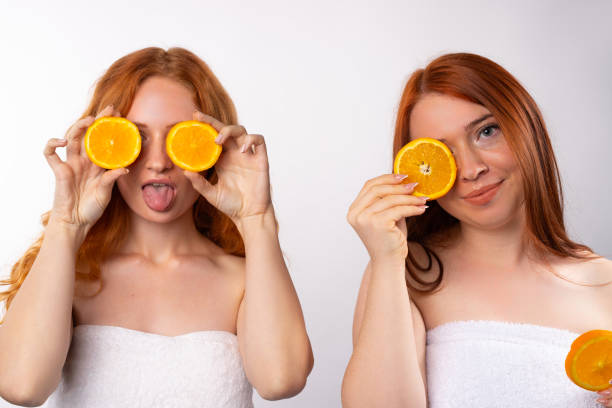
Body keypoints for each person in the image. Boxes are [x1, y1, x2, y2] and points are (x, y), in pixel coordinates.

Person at [0, 47, 313, 407]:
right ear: (103, 143)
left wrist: (257, 220)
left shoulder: (244, 279)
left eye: (182, 137)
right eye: (139, 135)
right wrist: (66, 224)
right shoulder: (70, 274)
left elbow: (282, 380)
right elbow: (20, 386)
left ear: (217, 148)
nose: (159, 162)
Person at [341, 53, 612, 408]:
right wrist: (387, 258)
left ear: (526, 125)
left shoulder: (605, 284)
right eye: (443, 153)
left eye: (486, 131)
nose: (470, 169)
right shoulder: (408, 272)